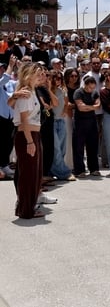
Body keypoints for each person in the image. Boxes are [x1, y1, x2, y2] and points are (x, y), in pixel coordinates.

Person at [11, 63, 45, 218]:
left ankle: (26, 207)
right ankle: (26, 209)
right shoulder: (26, 93)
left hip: (32, 134)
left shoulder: (31, 92)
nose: (41, 75)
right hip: (27, 135)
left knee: (32, 173)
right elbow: (24, 120)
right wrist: (30, 142)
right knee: (28, 174)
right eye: (37, 73)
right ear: (29, 75)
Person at [48, 69, 75, 181]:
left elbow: (66, 101)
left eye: (60, 78)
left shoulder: (63, 90)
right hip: (52, 121)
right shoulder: (48, 91)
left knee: (62, 148)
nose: (58, 80)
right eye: (56, 78)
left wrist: (64, 110)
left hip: (61, 120)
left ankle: (55, 169)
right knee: (56, 148)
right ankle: (63, 172)